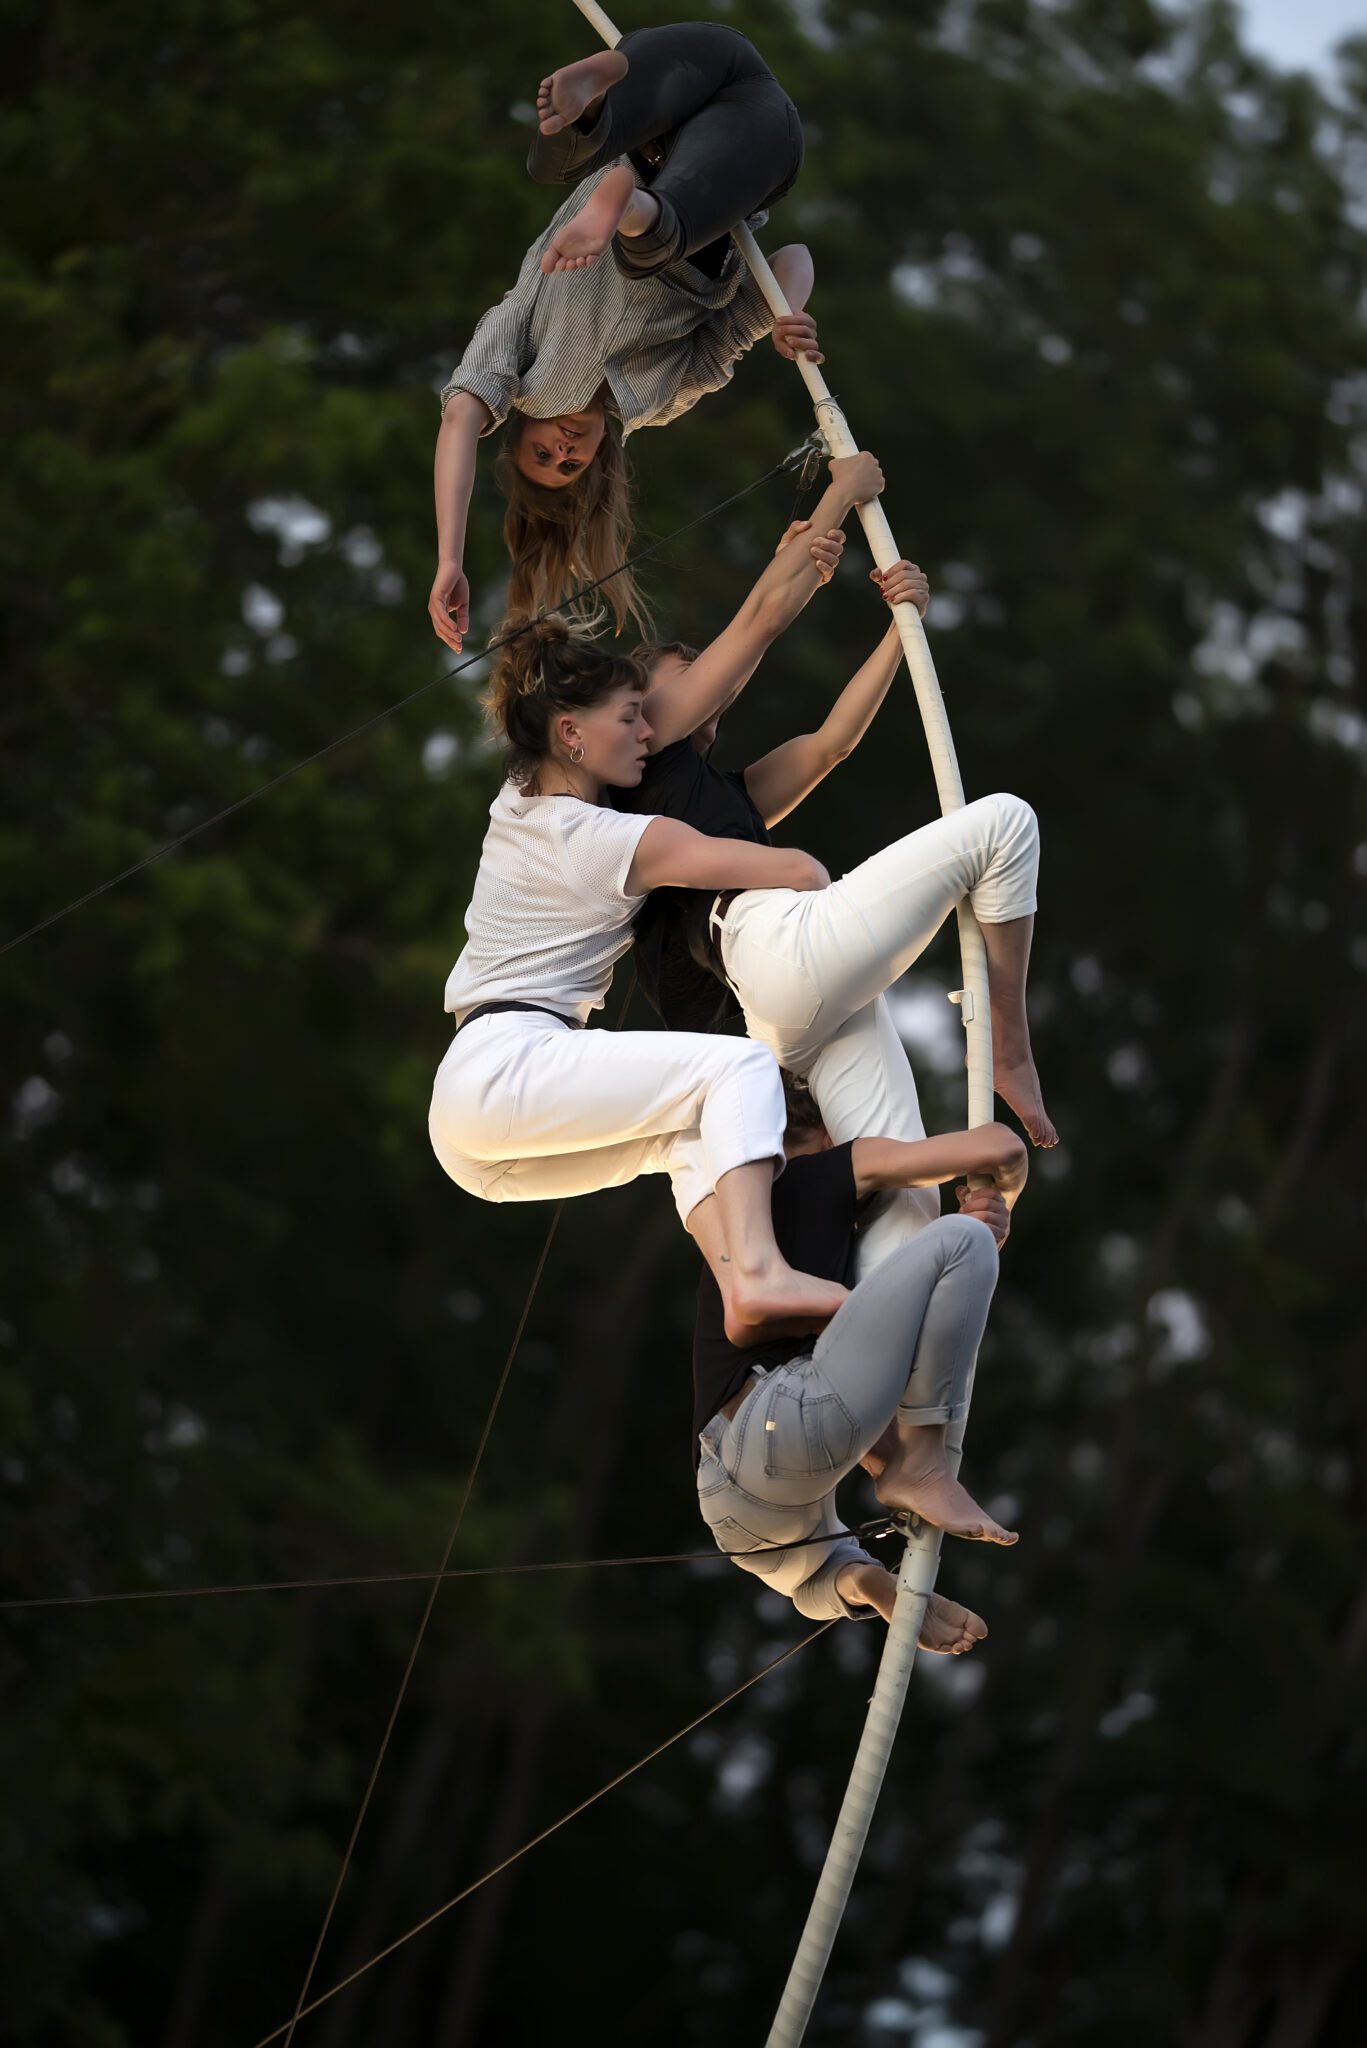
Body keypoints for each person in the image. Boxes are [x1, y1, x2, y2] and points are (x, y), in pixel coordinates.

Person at [611, 497, 1056, 1287]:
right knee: (1004, 827)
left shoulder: (725, 797)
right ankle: (1010, 1048)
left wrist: (902, 632)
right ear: (644, 710)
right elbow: (752, 629)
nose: (703, 683)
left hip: (788, 1009)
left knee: (907, 1204)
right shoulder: (642, 776)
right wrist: (828, 506)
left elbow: (831, 744)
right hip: (774, 949)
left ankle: (916, 1400)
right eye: (683, 673)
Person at [428, 613, 853, 1341]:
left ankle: (746, 1291)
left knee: (684, 1132)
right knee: (739, 1068)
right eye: (630, 719)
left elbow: (719, 668)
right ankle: (758, 1272)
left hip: (473, 1135)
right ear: (571, 734)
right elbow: (800, 870)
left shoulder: (516, 806)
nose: (649, 734)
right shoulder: (606, 839)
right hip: (508, 1068)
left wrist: (796, 569)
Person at [429, 23, 820, 654]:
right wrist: (788, 314)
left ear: (516, 431)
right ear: (600, 461)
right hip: (748, 148)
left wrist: (450, 559)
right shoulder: (661, 401)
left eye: (541, 456)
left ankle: (598, 118)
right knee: (653, 245)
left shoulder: (522, 370)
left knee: (554, 153)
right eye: (571, 466)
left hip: (673, 95)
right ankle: (628, 208)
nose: (562, 450)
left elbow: (456, 422)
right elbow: (793, 260)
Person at [693, 1083, 1029, 1627]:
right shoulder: (813, 1170)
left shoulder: (738, 1228)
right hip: (738, 1492)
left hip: (748, 1477)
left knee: (814, 1570)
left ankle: (863, 1576)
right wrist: (997, 1205)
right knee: (963, 1241)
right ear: (829, 1132)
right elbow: (1000, 1148)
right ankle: (920, 1465)